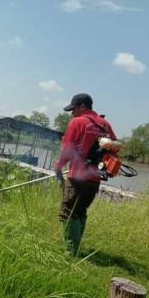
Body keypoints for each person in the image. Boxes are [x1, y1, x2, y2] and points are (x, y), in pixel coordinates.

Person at [54, 93, 119, 257]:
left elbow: (67, 149)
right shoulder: (105, 124)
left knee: (67, 211)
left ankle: (71, 252)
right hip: (96, 177)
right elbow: (116, 147)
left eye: (73, 109)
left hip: (77, 176)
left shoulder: (76, 122)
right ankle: (76, 248)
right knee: (81, 211)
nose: (72, 113)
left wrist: (58, 167)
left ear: (82, 106)